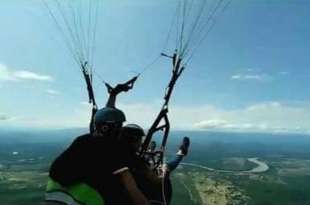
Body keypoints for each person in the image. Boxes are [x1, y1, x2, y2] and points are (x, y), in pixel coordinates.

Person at [46, 80, 151, 205]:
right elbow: (132, 189)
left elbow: (106, 115)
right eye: (119, 126)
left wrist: (113, 95)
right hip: (81, 198)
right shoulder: (113, 151)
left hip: (53, 191)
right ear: (113, 129)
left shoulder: (82, 140)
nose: (121, 129)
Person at [119, 124, 190, 205]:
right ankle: (181, 153)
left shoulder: (117, 156)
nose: (141, 143)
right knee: (167, 166)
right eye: (139, 140)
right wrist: (165, 172)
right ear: (133, 141)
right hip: (150, 195)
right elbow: (157, 180)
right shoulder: (138, 162)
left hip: (131, 192)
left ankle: (177, 153)